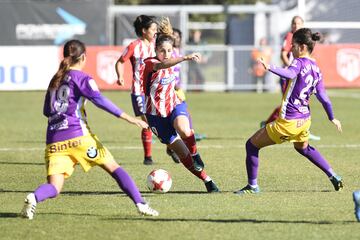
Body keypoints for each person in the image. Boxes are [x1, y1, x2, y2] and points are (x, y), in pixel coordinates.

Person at [21, 39, 159, 220]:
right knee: (113, 167)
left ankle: (34, 197)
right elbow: (101, 101)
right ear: (84, 57)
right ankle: (141, 204)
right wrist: (131, 119)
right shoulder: (83, 78)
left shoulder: (55, 79)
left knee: (54, 187)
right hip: (79, 137)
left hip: (54, 140)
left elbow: (47, 111)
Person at [234, 28, 343, 195]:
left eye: (293, 46)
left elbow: (290, 73)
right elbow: (324, 98)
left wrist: (269, 67)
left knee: (251, 145)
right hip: (305, 120)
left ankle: (252, 186)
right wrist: (332, 117)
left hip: (288, 122)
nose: (290, 49)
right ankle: (333, 175)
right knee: (303, 148)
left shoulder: (298, 62)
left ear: (302, 47)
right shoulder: (316, 68)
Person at [143, 19, 219, 193]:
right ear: (156, 50)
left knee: (185, 130)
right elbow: (163, 65)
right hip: (155, 116)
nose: (167, 53)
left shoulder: (172, 56)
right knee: (182, 153)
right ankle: (207, 180)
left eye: (169, 50)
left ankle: (196, 154)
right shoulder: (149, 63)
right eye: (162, 50)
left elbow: (171, 74)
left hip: (174, 105)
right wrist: (184, 58)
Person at [260, 16, 321, 141]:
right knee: (292, 102)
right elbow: (283, 54)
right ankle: (274, 125)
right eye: (294, 23)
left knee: (298, 102)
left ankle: (302, 130)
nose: (296, 26)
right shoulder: (290, 36)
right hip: (289, 76)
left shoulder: (304, 37)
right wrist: (292, 70)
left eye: (298, 23)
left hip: (296, 75)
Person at [115, 15, 158, 165]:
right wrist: (120, 76)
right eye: (153, 29)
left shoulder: (156, 45)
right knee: (147, 121)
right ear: (144, 30)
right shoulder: (134, 46)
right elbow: (120, 62)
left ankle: (170, 147)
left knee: (161, 120)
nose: (155, 32)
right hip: (139, 90)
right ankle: (148, 156)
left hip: (156, 89)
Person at [165, 28, 206, 164]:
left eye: (178, 36)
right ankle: (174, 145)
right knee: (172, 119)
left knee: (185, 115)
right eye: (173, 36)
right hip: (168, 89)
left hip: (178, 89)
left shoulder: (179, 52)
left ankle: (185, 139)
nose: (176, 38)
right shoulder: (168, 53)